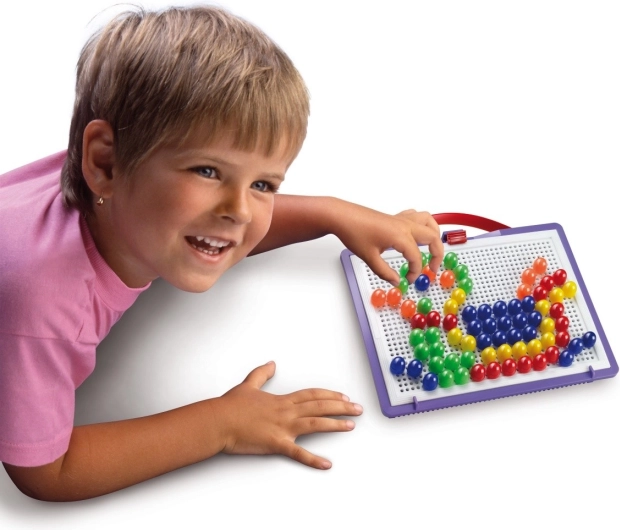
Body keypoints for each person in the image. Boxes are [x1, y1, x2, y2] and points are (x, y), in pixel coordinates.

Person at [0, 5, 444, 502]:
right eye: (207, 171)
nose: (239, 210)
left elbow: (220, 226)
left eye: (263, 184)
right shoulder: (41, 306)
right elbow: (46, 472)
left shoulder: (119, 200)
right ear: (103, 161)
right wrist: (221, 424)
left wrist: (332, 214)